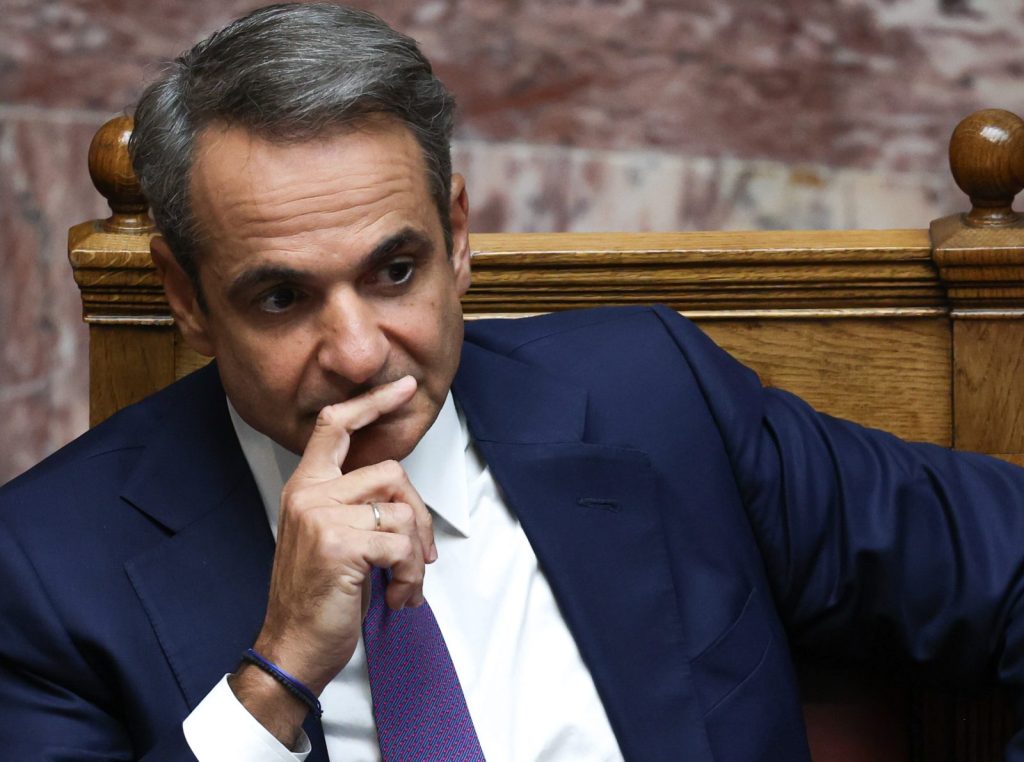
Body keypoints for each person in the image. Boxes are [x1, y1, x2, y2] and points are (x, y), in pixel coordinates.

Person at [2, 3, 1024, 761]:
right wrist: (276, 674)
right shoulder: (47, 570)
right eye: (280, 297)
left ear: (457, 236)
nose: (357, 352)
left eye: (394, 271)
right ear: (185, 296)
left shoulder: (654, 399)